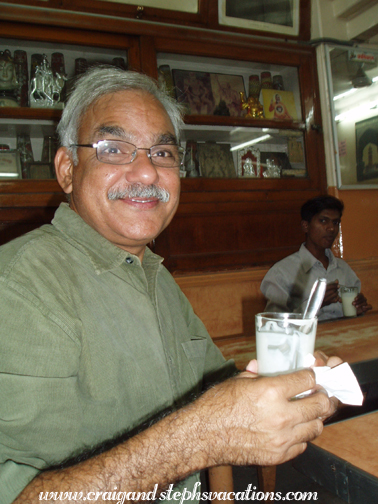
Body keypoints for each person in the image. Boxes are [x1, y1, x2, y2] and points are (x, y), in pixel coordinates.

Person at [0, 67, 339, 503]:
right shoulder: (20, 287)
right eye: (114, 148)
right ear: (67, 169)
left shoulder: (153, 276)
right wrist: (201, 435)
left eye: (162, 153)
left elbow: (215, 403)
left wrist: (280, 388)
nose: (146, 173)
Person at [261, 195, 372, 320]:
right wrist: (316, 304)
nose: (331, 228)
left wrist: (357, 309)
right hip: (306, 338)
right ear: (305, 226)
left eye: (335, 223)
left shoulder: (343, 269)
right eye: (323, 221)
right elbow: (274, 323)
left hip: (345, 336)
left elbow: (351, 316)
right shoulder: (282, 273)